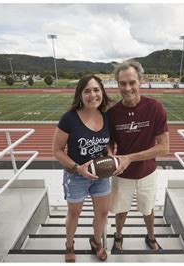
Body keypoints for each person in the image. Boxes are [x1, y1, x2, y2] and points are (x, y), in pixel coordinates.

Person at [108, 60, 169, 252]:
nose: (127, 88)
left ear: (140, 81)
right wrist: (111, 155)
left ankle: (151, 236)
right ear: (117, 84)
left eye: (131, 82)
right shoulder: (112, 113)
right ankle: (118, 235)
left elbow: (164, 148)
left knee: (148, 209)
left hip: (147, 172)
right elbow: (109, 142)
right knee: (120, 210)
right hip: (122, 173)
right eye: (122, 83)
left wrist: (129, 158)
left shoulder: (155, 107)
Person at [52, 74, 112, 262]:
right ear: (80, 94)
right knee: (74, 213)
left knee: (102, 212)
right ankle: (69, 244)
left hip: (101, 175)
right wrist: (77, 168)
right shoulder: (69, 119)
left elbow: (108, 144)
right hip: (76, 176)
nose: (92, 95)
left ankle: (96, 242)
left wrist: (110, 155)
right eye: (87, 91)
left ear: (102, 92)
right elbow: (57, 150)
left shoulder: (107, 117)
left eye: (96, 90)